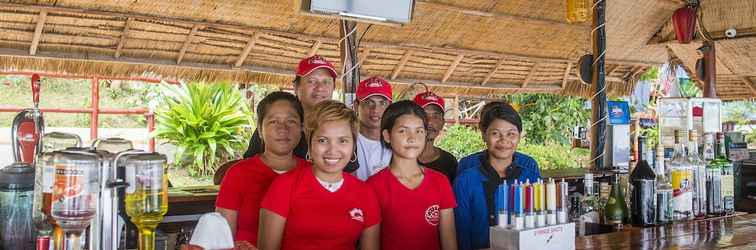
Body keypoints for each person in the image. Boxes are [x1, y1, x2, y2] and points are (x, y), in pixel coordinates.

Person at [258, 100, 380, 250]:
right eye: (323, 140)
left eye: (343, 141)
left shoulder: (365, 193)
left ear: (353, 145)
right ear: (310, 143)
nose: (332, 150)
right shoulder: (284, 186)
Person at [215, 91, 309, 246]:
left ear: (301, 128)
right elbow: (223, 240)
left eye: (291, 121)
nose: (282, 129)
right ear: (259, 129)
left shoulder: (312, 173)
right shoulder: (238, 174)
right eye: (273, 122)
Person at [367, 100, 457, 250]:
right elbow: (369, 245)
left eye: (419, 131)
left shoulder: (440, 182)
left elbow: (449, 241)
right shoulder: (373, 186)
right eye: (403, 131)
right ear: (387, 135)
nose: (412, 138)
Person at [453, 101, 541, 250]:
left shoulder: (531, 178)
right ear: (484, 135)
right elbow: (461, 233)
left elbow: (538, 228)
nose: (504, 140)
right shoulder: (465, 181)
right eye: (495, 133)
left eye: (511, 134)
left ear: (519, 136)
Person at [354, 76, 394, 181]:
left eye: (382, 103)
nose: (375, 109)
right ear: (355, 106)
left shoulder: (398, 144)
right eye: (368, 102)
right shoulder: (346, 141)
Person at [413, 91, 458, 182]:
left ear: (442, 123)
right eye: (423, 115)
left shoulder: (449, 162)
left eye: (436, 116)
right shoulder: (399, 159)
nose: (429, 122)